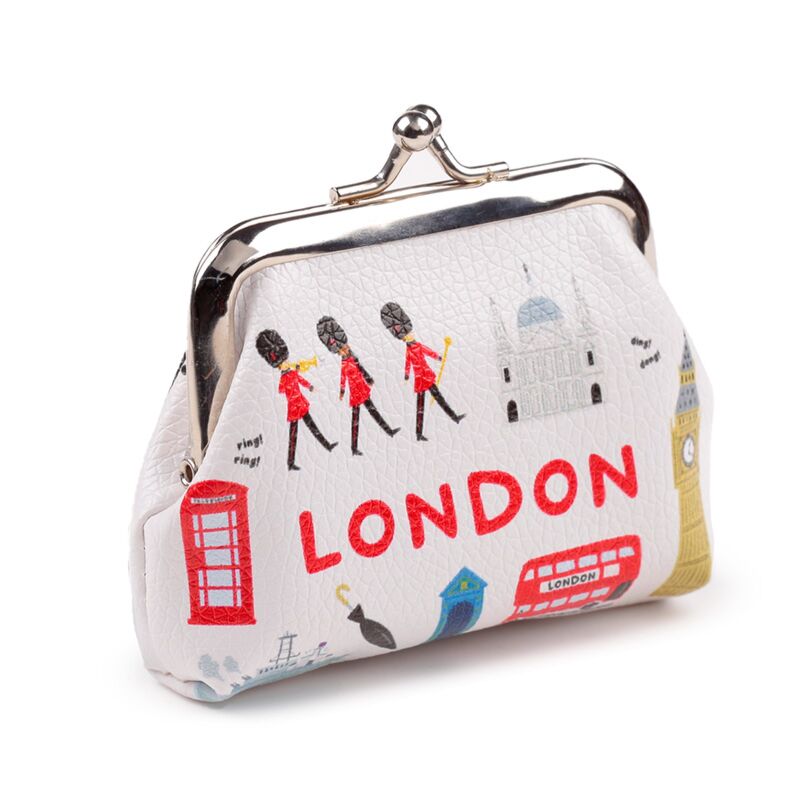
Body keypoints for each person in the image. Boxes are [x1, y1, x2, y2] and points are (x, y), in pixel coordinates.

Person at [380, 302, 465, 441]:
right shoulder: (409, 350)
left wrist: (437, 357)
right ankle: (419, 433)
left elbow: (428, 352)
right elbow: (408, 363)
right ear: (404, 337)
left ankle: (454, 417)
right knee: (421, 405)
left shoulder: (417, 346)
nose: (412, 334)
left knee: (438, 398)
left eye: (410, 333)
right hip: (420, 378)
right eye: (409, 334)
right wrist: (406, 375)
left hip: (425, 375)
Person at [256, 329, 337, 471]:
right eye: (284, 362)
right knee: (294, 434)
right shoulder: (285, 377)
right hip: (294, 407)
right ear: (279, 365)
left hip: (299, 403)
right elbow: (282, 389)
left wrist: (310, 386)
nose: (287, 362)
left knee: (311, 427)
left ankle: (326, 445)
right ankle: (290, 462)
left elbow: (301, 381)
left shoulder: (291, 373)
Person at [317, 316, 400, 455]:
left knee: (372, 411)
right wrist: (342, 392)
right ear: (339, 351)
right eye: (343, 348)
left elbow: (361, 369)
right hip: (355, 392)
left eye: (345, 347)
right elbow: (343, 379)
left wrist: (368, 379)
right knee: (356, 418)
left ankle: (388, 431)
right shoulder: (344, 364)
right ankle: (354, 447)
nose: (346, 348)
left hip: (361, 388)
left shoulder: (353, 358)